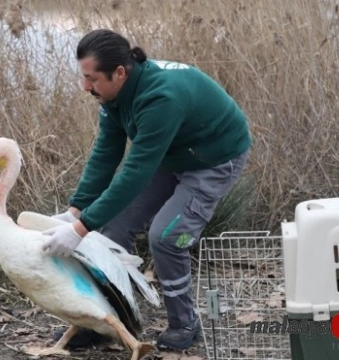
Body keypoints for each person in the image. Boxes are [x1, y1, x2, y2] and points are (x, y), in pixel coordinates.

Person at [41, 28, 251, 351]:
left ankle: (185, 323)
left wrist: (81, 228)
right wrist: (75, 212)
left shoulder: (160, 98)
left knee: (167, 236)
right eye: (83, 77)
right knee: (111, 228)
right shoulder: (112, 95)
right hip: (171, 153)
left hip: (214, 157)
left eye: (91, 78)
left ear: (119, 73)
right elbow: (105, 154)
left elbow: (136, 172)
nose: (85, 87)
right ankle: (104, 322)